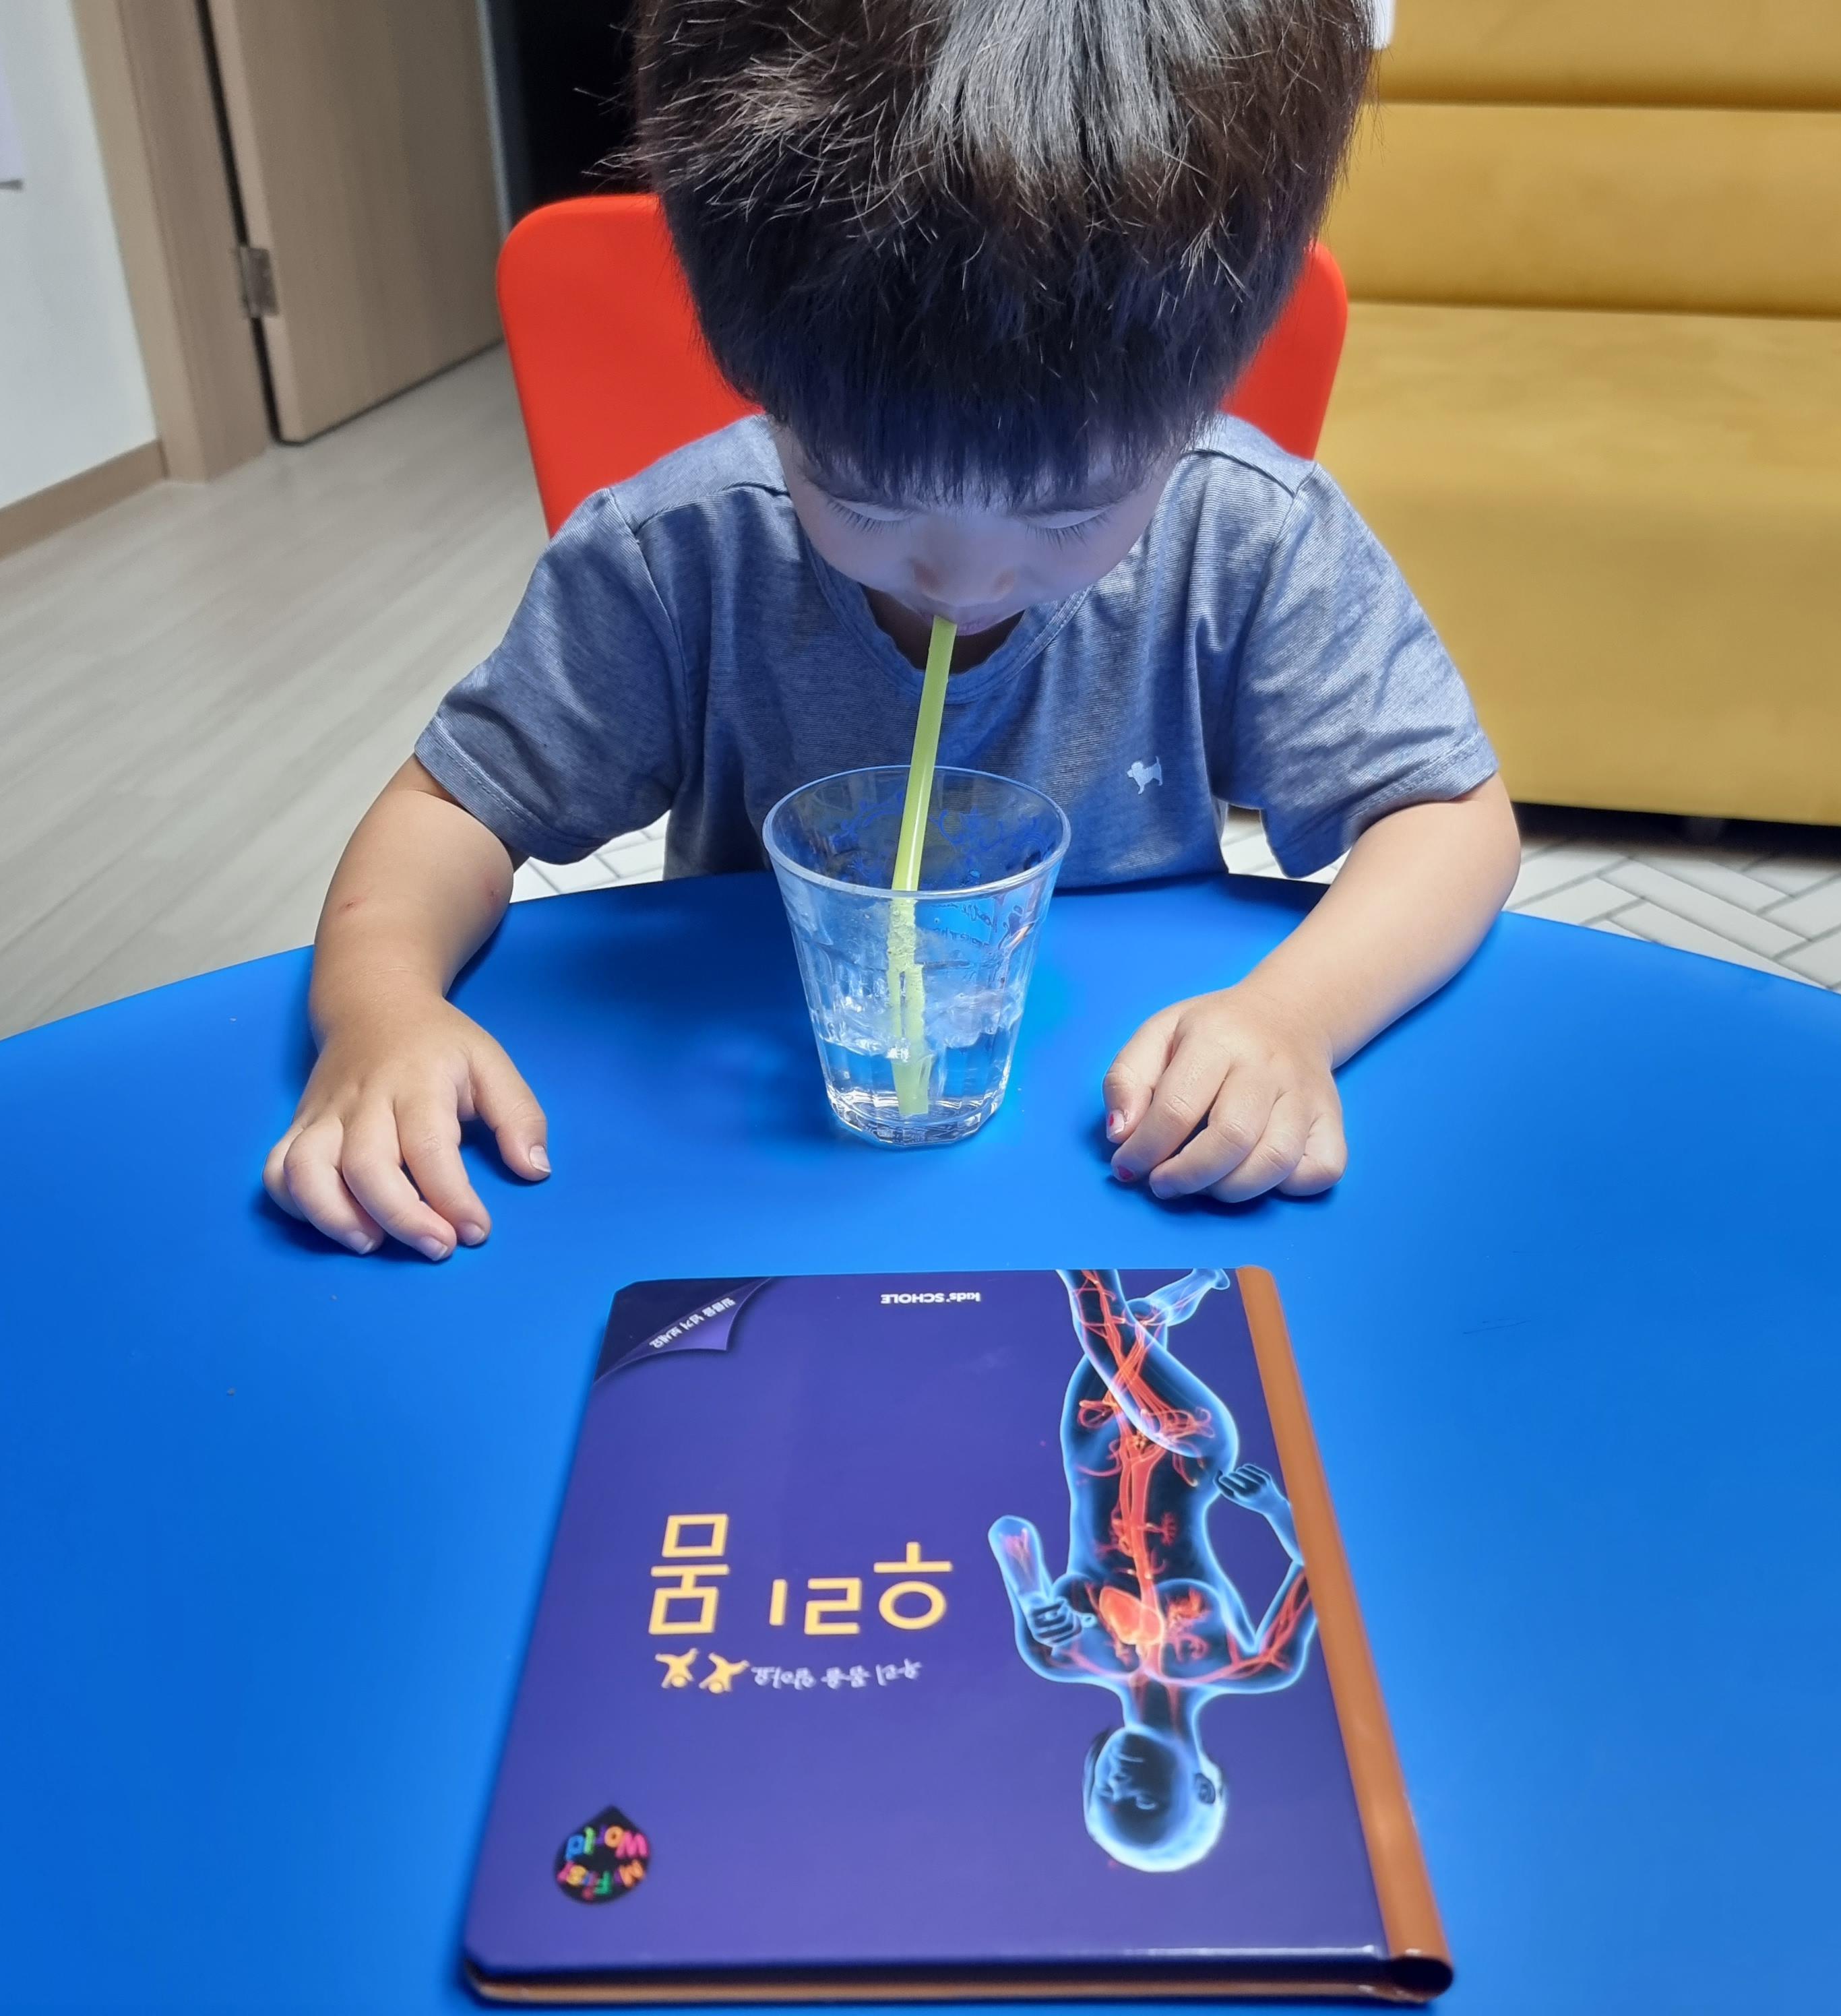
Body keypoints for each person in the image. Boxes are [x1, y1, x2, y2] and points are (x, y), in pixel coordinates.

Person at [264, 0, 1520, 1259]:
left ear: (1194, 405)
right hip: (769, 1194)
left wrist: (1294, 1017)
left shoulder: (1246, 540)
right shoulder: (678, 559)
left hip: (1125, 1186)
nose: (963, 578)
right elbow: (450, 812)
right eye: (863, 496)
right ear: (769, 392)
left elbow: (1451, 820)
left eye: (1070, 509)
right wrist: (381, 1012)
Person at [989, 1269, 1315, 1872]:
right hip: (1191, 1454)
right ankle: (1083, 1261)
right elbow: (1318, 1563)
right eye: (1144, 1801)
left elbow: (1010, 1532)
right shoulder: (1258, 1666)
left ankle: (1179, 1293)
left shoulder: (1061, 1658)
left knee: (1128, 1328)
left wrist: (1033, 1597)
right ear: (1202, 1788)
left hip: (1095, 1454)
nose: (1121, 1783)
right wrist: (1274, 1507)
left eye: (1105, 1796)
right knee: (1111, 1325)